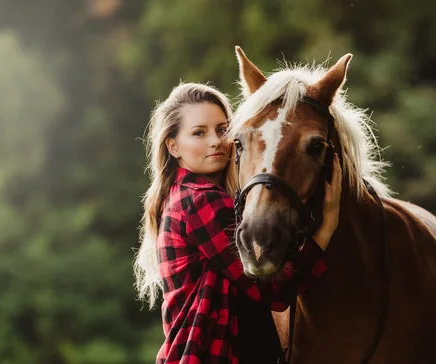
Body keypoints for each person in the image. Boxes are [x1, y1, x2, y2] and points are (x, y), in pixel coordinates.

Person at [134, 82, 342, 364]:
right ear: (173, 147)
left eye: (222, 130)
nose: (215, 141)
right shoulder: (200, 201)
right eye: (199, 133)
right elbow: (275, 292)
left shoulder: (182, 195)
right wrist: (327, 228)